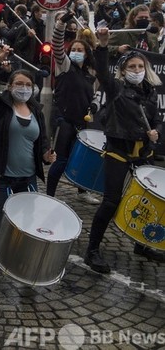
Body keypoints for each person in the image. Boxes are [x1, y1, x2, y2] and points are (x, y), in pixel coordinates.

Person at [84, 28, 165, 272]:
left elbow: (157, 119)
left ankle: (141, 244)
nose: (137, 71)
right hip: (118, 151)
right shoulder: (116, 88)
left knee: (144, 201)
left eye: (140, 67)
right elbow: (101, 72)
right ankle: (92, 251)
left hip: (143, 152)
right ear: (123, 71)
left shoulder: (150, 91)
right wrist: (102, 45)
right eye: (132, 67)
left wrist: (157, 132)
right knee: (110, 202)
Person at [0, 45, 55, 288]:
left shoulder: (36, 111)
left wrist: (46, 155)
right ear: (9, 87)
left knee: (27, 224)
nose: (23, 88)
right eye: (18, 84)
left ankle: (23, 267)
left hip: (26, 177)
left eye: (27, 85)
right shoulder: (0, 108)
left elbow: (42, 139)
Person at [46, 12, 100, 204]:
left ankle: (82, 191)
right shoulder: (65, 66)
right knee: (60, 159)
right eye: (74, 49)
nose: (76, 51)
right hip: (64, 119)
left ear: (87, 54)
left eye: (81, 49)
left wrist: (95, 104)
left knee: (82, 158)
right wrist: (61, 23)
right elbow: (57, 45)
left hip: (82, 121)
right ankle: (50, 196)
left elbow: (97, 94)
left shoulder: (91, 73)